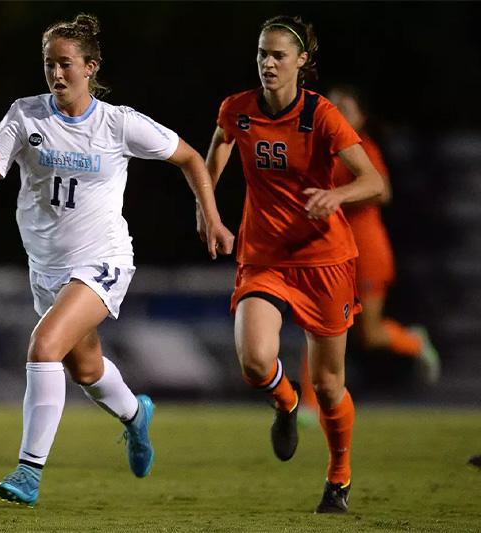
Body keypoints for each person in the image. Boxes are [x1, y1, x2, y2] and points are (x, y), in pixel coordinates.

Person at [0, 13, 234, 507]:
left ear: (90, 67)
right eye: (49, 64)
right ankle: (136, 416)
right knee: (86, 369)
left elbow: (192, 157)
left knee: (44, 346)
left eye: (66, 64)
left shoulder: (118, 123)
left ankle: (29, 471)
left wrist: (210, 216)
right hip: (47, 270)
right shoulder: (25, 116)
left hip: (102, 261)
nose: (56, 74)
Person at [199, 15, 385, 513]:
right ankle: (285, 401)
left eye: (278, 55)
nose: (267, 63)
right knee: (256, 361)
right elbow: (218, 146)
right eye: (262, 53)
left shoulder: (321, 115)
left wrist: (336, 194)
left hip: (325, 261)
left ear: (302, 62)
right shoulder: (237, 109)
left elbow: (373, 182)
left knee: (328, 387)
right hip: (264, 257)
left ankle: (339, 476)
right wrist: (208, 209)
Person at [297, 85, 442, 418]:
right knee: (317, 321)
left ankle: (412, 342)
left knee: (370, 335)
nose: (336, 112)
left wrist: (335, 197)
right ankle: (308, 402)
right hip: (330, 251)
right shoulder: (314, 149)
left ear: (361, 118)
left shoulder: (361, 149)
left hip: (365, 251)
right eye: (331, 106)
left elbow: (382, 192)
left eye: (345, 107)